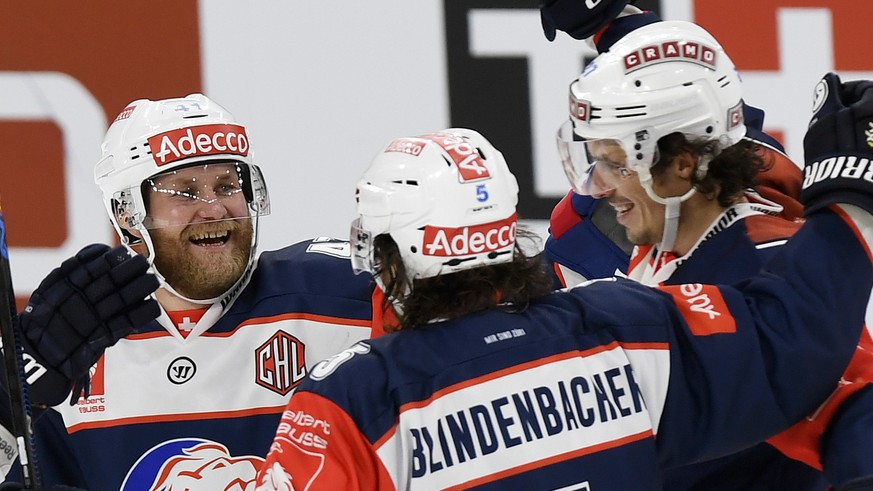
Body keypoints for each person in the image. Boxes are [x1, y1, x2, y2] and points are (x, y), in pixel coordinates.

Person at [253, 88, 873, 489]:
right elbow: (795, 333)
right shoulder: (626, 325)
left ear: (393, 256)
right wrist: (851, 200)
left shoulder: (352, 399)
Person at [545, 5, 873, 490]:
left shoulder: (763, 271)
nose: (599, 185)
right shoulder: (697, 187)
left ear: (680, 164)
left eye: (615, 163)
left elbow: (852, 397)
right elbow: (684, 87)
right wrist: (611, 20)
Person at [6, 94, 385, 490]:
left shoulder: (345, 293)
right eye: (184, 192)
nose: (213, 209)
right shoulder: (69, 348)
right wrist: (7, 403)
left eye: (226, 185)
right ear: (128, 214)